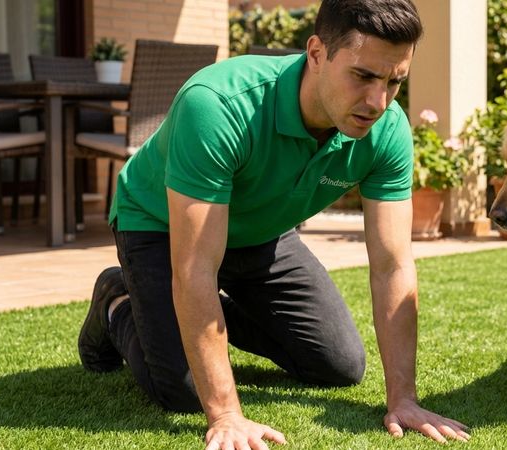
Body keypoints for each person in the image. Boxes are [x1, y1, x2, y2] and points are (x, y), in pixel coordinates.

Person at [76, 1, 470, 448]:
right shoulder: (217, 104)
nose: (378, 102)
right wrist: (226, 414)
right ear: (317, 53)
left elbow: (392, 265)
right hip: (160, 226)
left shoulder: (387, 130)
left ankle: (181, 313)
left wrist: (404, 398)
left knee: (337, 365)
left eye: (394, 81)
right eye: (363, 76)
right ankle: (117, 301)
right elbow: (195, 267)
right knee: (183, 392)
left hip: (261, 231)